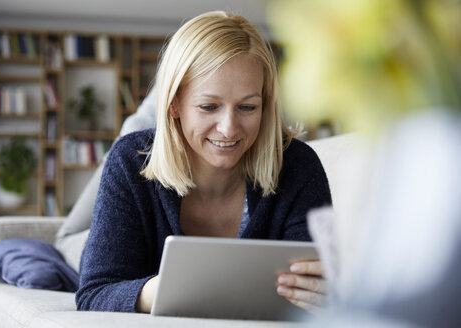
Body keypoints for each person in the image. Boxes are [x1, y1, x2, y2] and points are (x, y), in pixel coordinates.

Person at [76, 11, 331, 315]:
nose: (229, 128)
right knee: (64, 251)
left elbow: (322, 288)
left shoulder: (298, 166)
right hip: (88, 245)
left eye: (248, 107)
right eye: (209, 106)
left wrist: (325, 294)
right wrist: (168, 287)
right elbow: (95, 295)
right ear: (174, 103)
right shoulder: (130, 160)